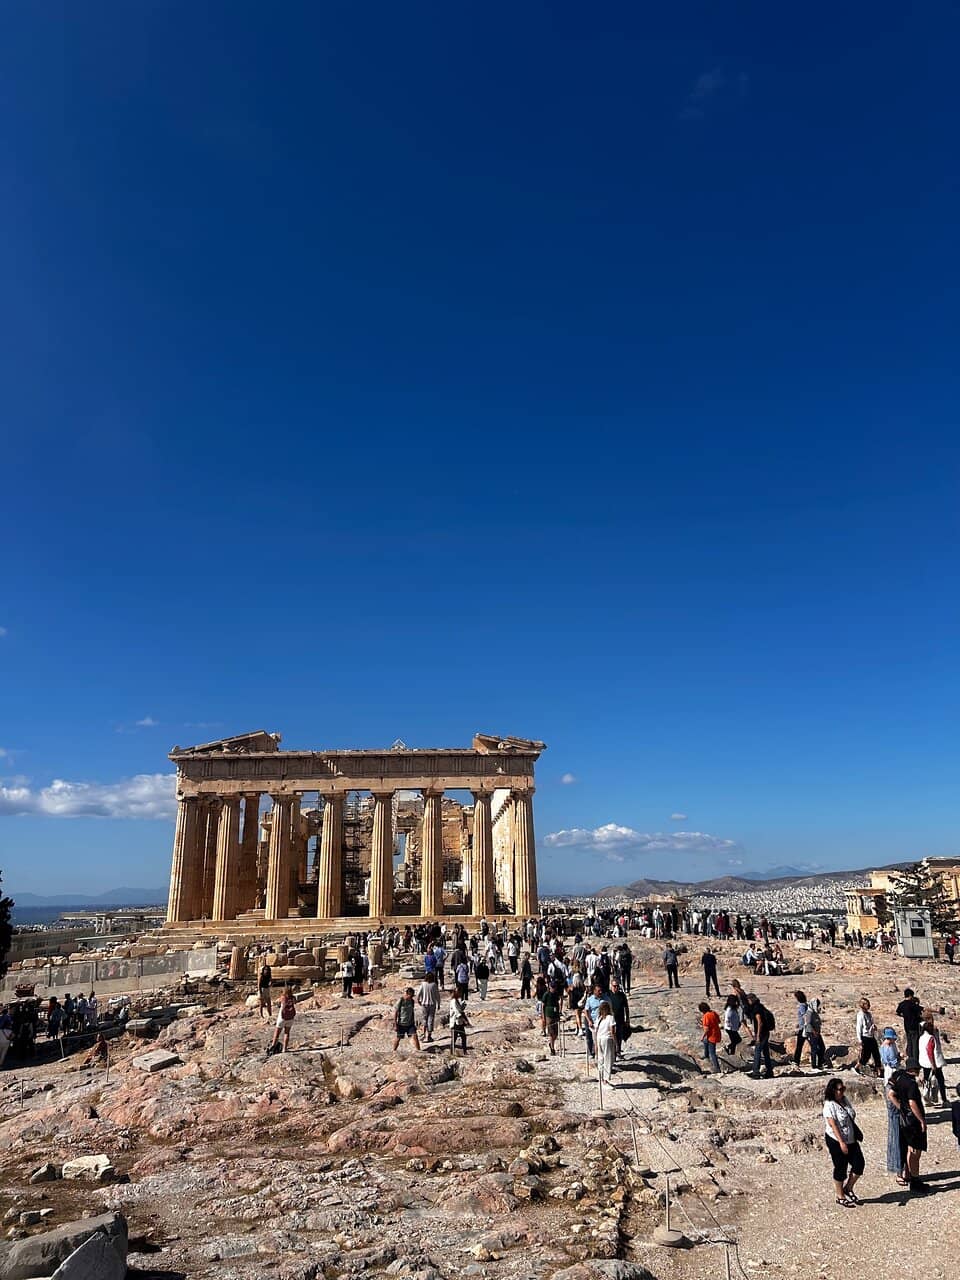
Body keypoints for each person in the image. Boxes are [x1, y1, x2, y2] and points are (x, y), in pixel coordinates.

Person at [822, 1078, 865, 1207]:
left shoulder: (845, 1100)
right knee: (841, 1167)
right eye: (840, 1089)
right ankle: (839, 1195)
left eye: (843, 1089)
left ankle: (849, 1187)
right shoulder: (829, 1105)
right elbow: (832, 1124)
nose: (842, 1092)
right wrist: (841, 1142)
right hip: (836, 1140)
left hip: (850, 1138)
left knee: (859, 1164)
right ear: (833, 1091)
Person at [888, 1057, 927, 1192]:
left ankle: (909, 1175)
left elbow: (891, 1094)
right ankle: (915, 1180)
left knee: (909, 1148)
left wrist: (900, 1108)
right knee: (916, 1151)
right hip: (913, 1121)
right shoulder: (911, 1084)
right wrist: (921, 1120)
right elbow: (912, 1103)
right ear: (914, 1070)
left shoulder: (900, 1078)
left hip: (904, 1120)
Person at [880, 1028, 903, 1178]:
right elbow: (890, 1062)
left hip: (892, 1077)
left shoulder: (889, 1045)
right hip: (891, 1078)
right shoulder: (885, 1048)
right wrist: (900, 1058)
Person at [919, 1019, 947, 1105]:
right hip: (933, 1063)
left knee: (927, 1080)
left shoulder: (921, 1037)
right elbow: (930, 1051)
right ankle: (944, 1100)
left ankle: (926, 1099)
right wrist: (933, 1064)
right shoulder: (930, 1038)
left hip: (924, 1062)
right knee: (940, 1081)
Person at [747, 994, 774, 1078]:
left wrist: (757, 1035)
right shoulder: (760, 1006)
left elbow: (759, 1022)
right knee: (766, 1052)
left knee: (757, 1052)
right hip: (765, 1032)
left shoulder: (756, 1009)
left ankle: (756, 1072)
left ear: (751, 1000)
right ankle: (769, 1072)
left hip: (761, 1034)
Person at [895, 988, 922, 1063]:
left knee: (909, 1043)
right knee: (915, 1044)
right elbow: (922, 1009)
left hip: (907, 1027)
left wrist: (904, 1016)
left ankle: (910, 1059)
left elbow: (897, 1012)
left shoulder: (901, 1004)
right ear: (910, 995)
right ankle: (915, 1061)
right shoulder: (912, 1004)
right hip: (914, 1026)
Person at [856, 998, 882, 1076]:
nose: (869, 1006)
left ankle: (878, 1070)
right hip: (865, 1037)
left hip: (871, 1036)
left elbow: (871, 1023)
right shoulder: (860, 1015)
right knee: (865, 1055)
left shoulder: (869, 1014)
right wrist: (860, 1040)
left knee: (876, 1053)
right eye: (867, 1004)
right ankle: (857, 1067)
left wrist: (874, 1027)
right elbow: (859, 1028)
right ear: (863, 1005)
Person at [269, 984, 297, 1054]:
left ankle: (273, 1047)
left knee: (277, 1033)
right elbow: (295, 1002)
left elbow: (278, 1003)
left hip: (282, 1017)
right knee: (287, 1033)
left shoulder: (283, 997)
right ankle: (285, 1048)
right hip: (290, 1017)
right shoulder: (293, 997)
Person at [595, 1000, 617, 1085]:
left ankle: (600, 1077)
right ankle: (606, 1080)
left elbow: (596, 1029)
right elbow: (612, 1031)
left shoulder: (599, 1018)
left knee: (600, 1058)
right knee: (608, 1059)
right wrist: (615, 1043)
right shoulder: (610, 1017)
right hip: (607, 1039)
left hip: (599, 1038)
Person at [393, 987, 421, 1052]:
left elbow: (412, 1012)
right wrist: (395, 1024)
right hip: (401, 1024)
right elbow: (396, 1012)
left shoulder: (412, 1001)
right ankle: (394, 1051)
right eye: (410, 996)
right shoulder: (401, 1000)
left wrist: (413, 1022)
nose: (411, 997)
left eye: (412, 996)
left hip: (410, 1023)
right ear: (407, 994)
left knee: (415, 1036)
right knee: (398, 1038)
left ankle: (419, 1051)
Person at [416, 971, 440, 1042]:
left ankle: (423, 1035)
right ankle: (429, 1036)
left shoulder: (423, 984)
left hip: (424, 1004)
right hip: (432, 1004)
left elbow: (418, 993)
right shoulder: (434, 985)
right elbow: (437, 996)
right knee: (430, 1020)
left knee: (424, 1019)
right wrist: (438, 1004)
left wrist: (418, 1000)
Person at [699, 1002, 722, 1074]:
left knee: (712, 1052)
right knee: (706, 1042)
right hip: (717, 1033)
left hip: (711, 1036)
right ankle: (706, 1055)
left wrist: (702, 1036)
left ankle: (717, 1068)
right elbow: (718, 1021)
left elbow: (706, 1029)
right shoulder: (713, 1013)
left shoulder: (706, 1016)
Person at [449, 987, 469, 1055]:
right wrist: (465, 1020)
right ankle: (452, 1052)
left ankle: (464, 1051)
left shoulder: (456, 1000)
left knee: (463, 1037)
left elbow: (459, 1010)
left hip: (459, 1022)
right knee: (454, 1038)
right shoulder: (454, 1001)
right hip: (455, 1022)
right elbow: (457, 1012)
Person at [542, 982, 560, 1055]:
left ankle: (551, 1043)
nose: (553, 989)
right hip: (548, 1015)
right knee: (551, 1033)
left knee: (556, 1034)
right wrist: (543, 1016)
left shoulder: (556, 994)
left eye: (554, 987)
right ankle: (552, 1049)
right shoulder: (546, 994)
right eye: (552, 987)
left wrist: (558, 1014)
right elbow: (543, 1005)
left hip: (555, 1014)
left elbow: (557, 1003)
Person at [793, 990, 809, 1065]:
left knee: (799, 1046)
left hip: (803, 1028)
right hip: (805, 1027)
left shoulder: (802, 1006)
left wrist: (804, 1024)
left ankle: (796, 1061)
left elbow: (804, 1016)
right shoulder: (806, 1004)